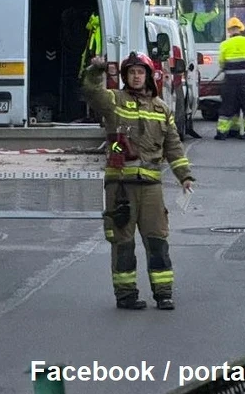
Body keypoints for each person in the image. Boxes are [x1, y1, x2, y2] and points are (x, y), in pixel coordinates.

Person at [83, 52, 195, 311]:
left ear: (148, 76)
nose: (136, 76)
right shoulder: (114, 101)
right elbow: (92, 92)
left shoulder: (161, 109)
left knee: (157, 241)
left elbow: (174, 147)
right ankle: (126, 296)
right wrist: (95, 72)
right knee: (122, 243)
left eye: (140, 72)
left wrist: (185, 177)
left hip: (151, 189)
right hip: (120, 187)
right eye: (131, 72)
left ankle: (164, 294)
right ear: (125, 76)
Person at [215, 17, 245, 141]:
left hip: (230, 82)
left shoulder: (225, 44)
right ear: (241, 29)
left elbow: (221, 62)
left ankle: (223, 133)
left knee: (228, 106)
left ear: (229, 31)